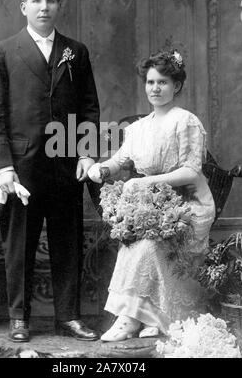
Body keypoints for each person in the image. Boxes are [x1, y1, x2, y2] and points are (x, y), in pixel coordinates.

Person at [0, 0, 100, 342]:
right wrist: (3, 167)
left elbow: (89, 108)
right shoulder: (3, 51)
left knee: (68, 240)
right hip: (21, 168)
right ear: (24, 7)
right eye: (36, 1)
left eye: (50, 1)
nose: (44, 7)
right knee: (19, 242)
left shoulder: (75, 51)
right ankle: (20, 317)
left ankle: (69, 316)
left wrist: (86, 153)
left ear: (58, 6)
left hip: (65, 162)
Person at [88, 50, 215, 341]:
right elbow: (121, 159)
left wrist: (147, 184)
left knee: (147, 245)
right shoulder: (138, 128)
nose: (155, 89)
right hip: (152, 205)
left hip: (188, 203)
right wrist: (101, 169)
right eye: (150, 82)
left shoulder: (186, 122)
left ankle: (128, 318)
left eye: (163, 83)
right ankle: (149, 316)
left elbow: (192, 171)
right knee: (135, 242)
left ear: (177, 86)